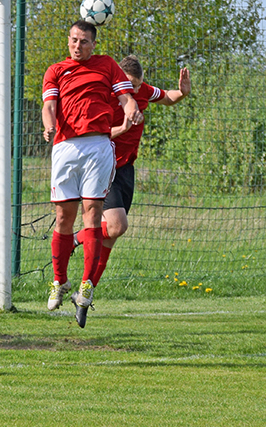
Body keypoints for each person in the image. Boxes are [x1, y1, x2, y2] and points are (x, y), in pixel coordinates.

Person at [42, 20, 142, 328]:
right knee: (63, 218)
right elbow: (49, 105)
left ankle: (86, 285)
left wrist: (129, 110)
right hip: (65, 147)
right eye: (73, 40)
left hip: (99, 146)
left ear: (93, 44)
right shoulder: (56, 70)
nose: (77, 46)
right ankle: (60, 281)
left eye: (83, 41)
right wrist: (49, 124)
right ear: (68, 40)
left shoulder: (107, 66)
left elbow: (127, 98)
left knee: (93, 212)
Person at [80, 55, 191, 285]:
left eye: (139, 84)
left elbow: (167, 97)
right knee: (117, 225)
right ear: (119, 79)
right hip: (102, 166)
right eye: (131, 84)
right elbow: (90, 136)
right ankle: (73, 240)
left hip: (126, 168)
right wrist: (122, 128)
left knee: (111, 236)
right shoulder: (104, 95)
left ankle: (86, 291)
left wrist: (181, 93)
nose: (136, 89)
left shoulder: (142, 91)